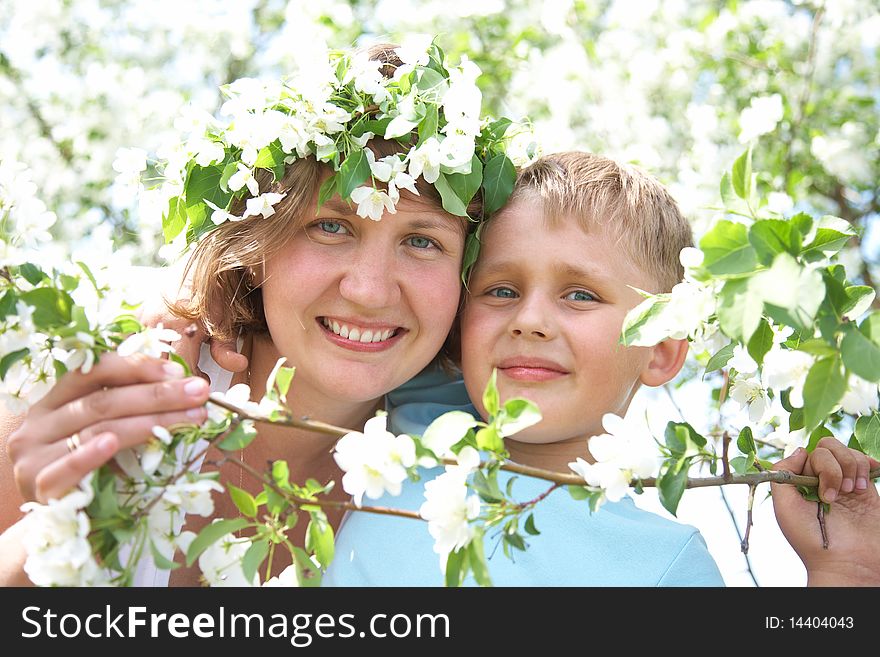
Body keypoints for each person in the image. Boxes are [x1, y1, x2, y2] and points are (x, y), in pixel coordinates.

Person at [0, 42, 497, 586]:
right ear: (258, 241)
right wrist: (64, 522)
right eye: (330, 226)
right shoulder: (102, 383)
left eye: (423, 241)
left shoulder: (459, 464)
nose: (370, 291)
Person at [322, 152, 880, 586]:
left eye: (581, 295)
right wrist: (230, 295)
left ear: (661, 348)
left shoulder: (663, 564)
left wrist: (847, 576)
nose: (530, 320)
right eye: (501, 290)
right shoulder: (422, 406)